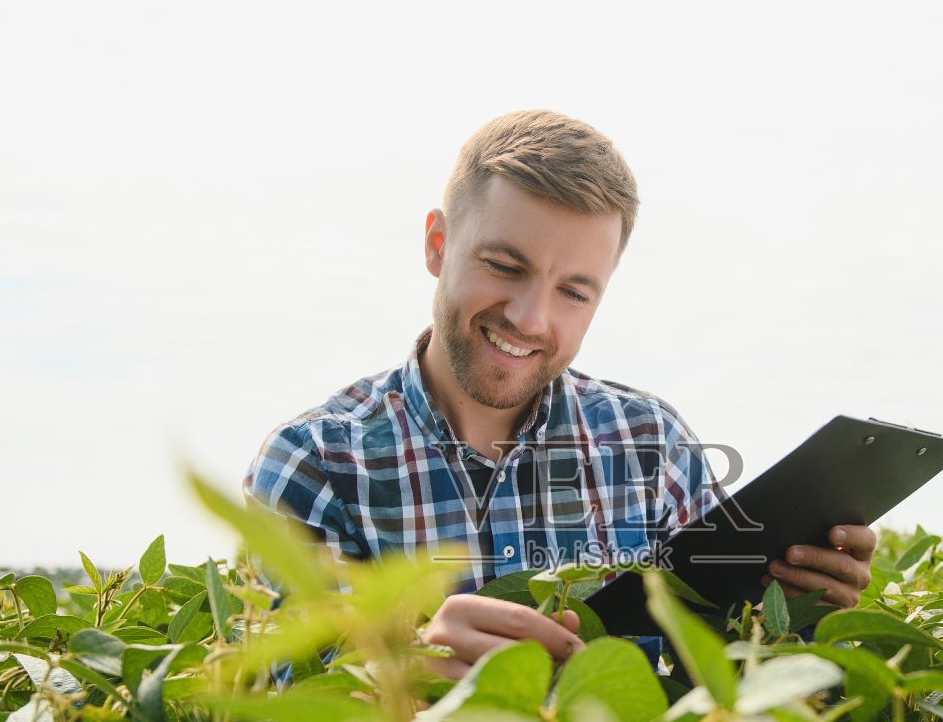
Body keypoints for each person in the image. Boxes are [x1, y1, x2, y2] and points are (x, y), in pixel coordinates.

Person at [246, 110, 876, 679]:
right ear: (438, 245)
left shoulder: (651, 443)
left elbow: (716, 672)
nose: (530, 318)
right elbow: (294, 715)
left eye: (574, 292)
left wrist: (793, 613)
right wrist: (407, 671)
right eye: (503, 265)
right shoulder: (317, 462)